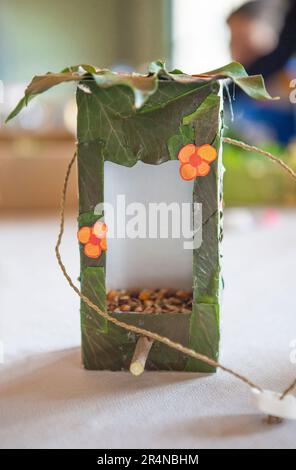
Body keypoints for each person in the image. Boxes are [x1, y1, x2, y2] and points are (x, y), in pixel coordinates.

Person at [227, 0, 296, 144]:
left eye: (243, 37)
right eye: (232, 40)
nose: (235, 47)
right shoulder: (232, 95)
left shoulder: (289, 76)